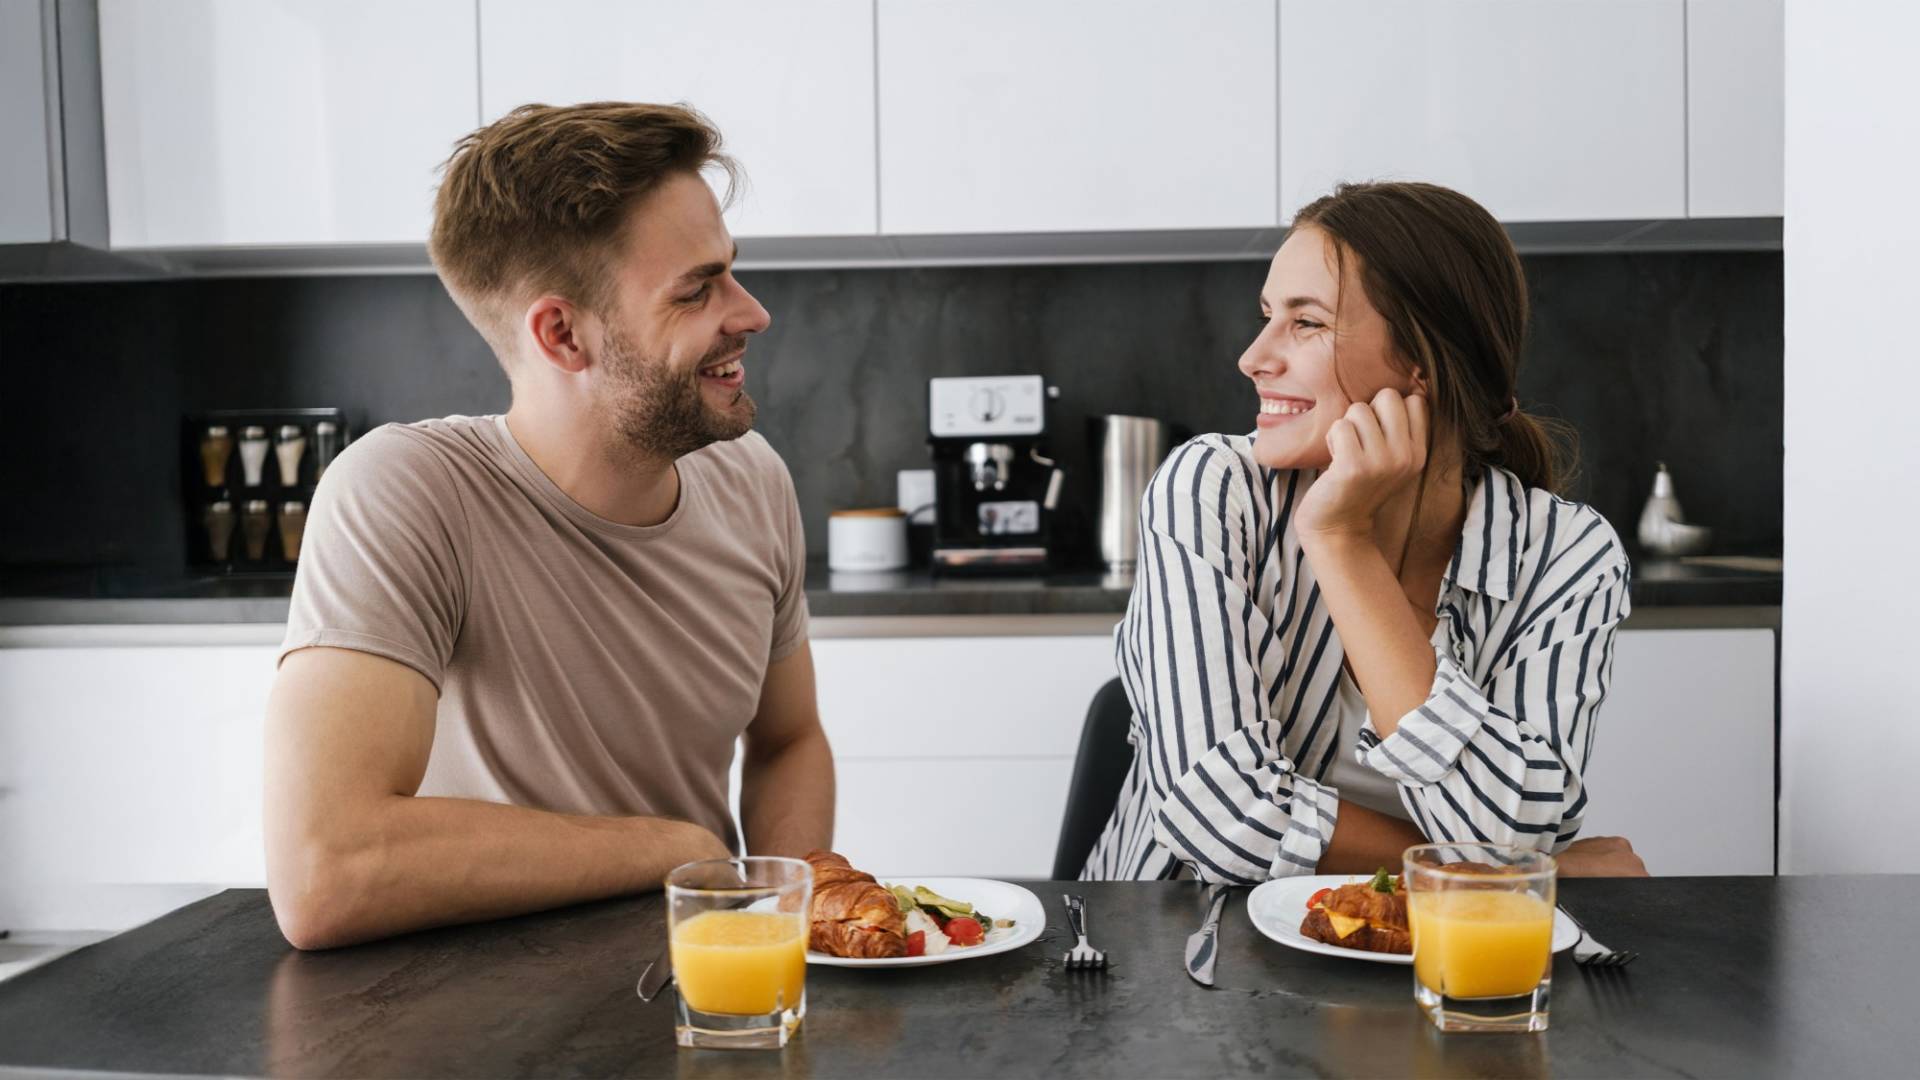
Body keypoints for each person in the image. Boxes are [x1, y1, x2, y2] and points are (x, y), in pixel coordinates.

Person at [262, 103, 835, 949]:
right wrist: (675, 851)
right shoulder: (409, 491)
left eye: (732, 272)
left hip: (694, 988)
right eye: (696, 288)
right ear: (563, 335)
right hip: (469, 1015)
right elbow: (326, 873)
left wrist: (794, 925)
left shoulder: (751, 480)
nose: (751, 312)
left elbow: (789, 740)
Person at [1084, 181, 1647, 882]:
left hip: (1435, 963)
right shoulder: (1213, 488)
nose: (1254, 357)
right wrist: (1502, 878)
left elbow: (1514, 826)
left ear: (1422, 359)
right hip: (1185, 948)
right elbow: (1219, 815)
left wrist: (1342, 545)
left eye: (1307, 322)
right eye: (1267, 316)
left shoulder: (1565, 555)